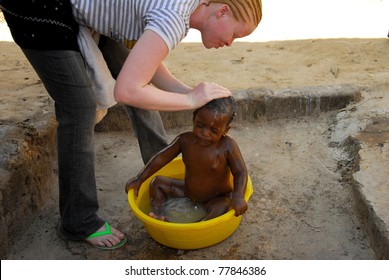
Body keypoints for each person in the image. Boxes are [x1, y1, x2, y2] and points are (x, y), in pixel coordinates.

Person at [0, 0, 262, 249]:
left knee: (139, 80)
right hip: (42, 8)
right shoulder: (173, 16)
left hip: (88, 9)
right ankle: (78, 221)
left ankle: (163, 164)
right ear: (222, 12)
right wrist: (189, 98)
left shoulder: (180, 10)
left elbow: (144, 66)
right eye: (236, 35)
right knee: (79, 107)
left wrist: (190, 94)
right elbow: (126, 91)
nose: (230, 44)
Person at [126, 96, 248, 221]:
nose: (205, 133)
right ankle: (159, 214)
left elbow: (241, 172)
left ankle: (197, 225)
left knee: (224, 205)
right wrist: (139, 178)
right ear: (194, 118)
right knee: (157, 183)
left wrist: (238, 196)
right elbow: (161, 158)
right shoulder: (184, 140)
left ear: (225, 130)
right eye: (200, 125)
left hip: (216, 198)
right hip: (188, 192)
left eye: (213, 130)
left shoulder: (227, 146)